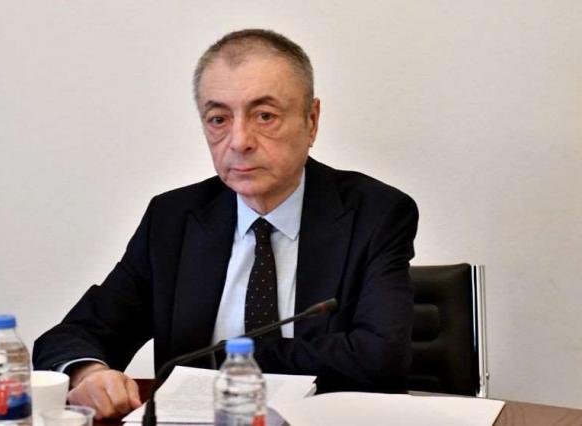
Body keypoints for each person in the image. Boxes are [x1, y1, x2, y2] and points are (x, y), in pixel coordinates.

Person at [33, 28, 419, 420]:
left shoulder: (375, 214)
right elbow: (72, 336)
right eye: (218, 119)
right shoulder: (173, 220)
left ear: (312, 121)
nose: (239, 141)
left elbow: (381, 359)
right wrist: (89, 372)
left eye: (264, 116)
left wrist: (234, 360)